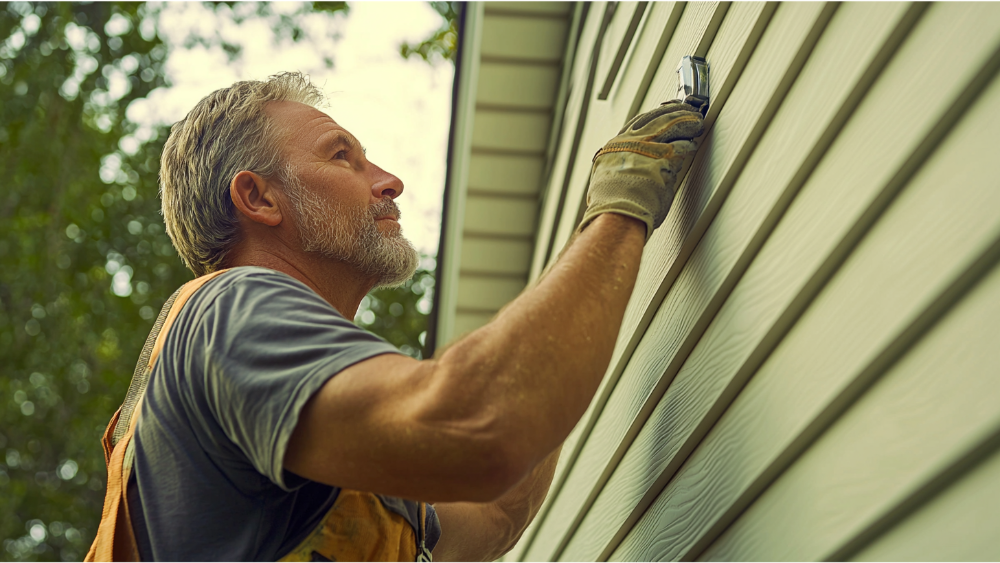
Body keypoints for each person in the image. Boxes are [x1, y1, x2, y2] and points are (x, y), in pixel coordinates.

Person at [92, 71, 704, 562]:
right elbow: (483, 425)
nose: (390, 182)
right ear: (258, 198)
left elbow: (493, 519)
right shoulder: (229, 309)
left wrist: (584, 288)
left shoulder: (329, 450)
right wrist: (620, 213)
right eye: (343, 158)